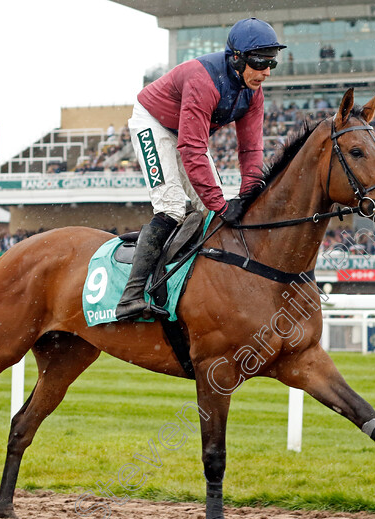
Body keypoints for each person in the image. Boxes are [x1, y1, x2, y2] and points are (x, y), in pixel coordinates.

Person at [114, 17, 285, 321]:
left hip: (187, 131)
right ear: (236, 58)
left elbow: (250, 150)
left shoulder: (253, 93)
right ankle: (131, 295)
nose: (267, 71)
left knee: (206, 215)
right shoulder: (202, 79)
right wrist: (221, 204)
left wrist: (248, 196)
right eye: (260, 62)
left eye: (272, 62)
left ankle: (180, 284)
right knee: (171, 208)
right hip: (153, 122)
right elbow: (191, 149)